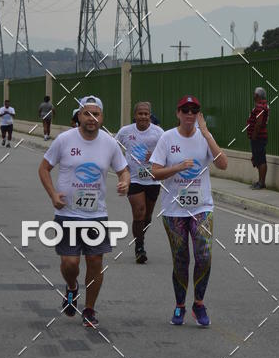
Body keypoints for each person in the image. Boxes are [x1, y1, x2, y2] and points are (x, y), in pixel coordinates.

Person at [38, 95, 129, 328]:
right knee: (70, 263)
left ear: (102, 117)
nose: (91, 118)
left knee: (95, 261)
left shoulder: (109, 143)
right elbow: (44, 168)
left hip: (96, 215)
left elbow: (123, 170)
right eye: (86, 113)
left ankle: (89, 309)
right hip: (67, 214)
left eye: (95, 114)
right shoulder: (64, 140)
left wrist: (125, 182)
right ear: (79, 116)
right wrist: (53, 194)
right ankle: (71, 287)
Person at [150, 95, 228, 327]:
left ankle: (199, 304)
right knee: (181, 259)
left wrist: (206, 134)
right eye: (186, 110)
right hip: (174, 210)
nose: (190, 115)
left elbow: (223, 164)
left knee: (204, 256)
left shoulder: (205, 137)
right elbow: (154, 173)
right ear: (178, 113)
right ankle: (180, 305)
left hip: (202, 207)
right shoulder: (167, 138)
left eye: (194, 111)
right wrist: (177, 168)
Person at [116, 101, 164, 264]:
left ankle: (140, 238)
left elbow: (167, 153)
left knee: (147, 217)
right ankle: (139, 247)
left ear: (150, 115)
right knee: (139, 211)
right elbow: (114, 149)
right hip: (134, 178)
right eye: (140, 113)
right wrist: (123, 168)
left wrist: (155, 157)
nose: (143, 116)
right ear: (135, 115)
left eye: (146, 114)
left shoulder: (158, 133)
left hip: (153, 179)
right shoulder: (125, 132)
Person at [246, 86, 269, 190]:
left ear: (257, 95)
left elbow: (258, 123)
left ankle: (262, 182)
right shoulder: (262, 106)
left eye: (254, 94)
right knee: (258, 159)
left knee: (261, 159)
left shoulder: (260, 107)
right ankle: (260, 181)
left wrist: (254, 136)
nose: (253, 96)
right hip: (259, 136)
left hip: (258, 137)